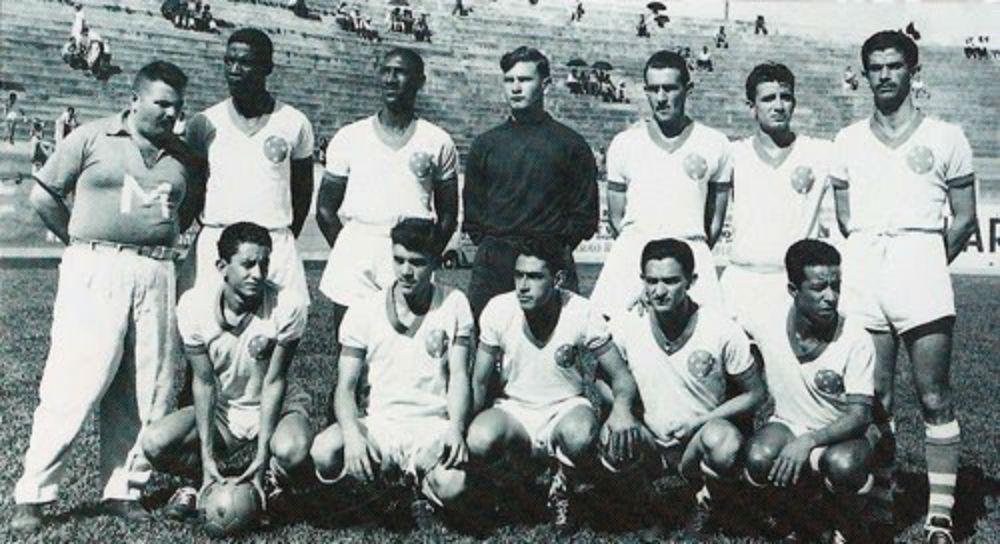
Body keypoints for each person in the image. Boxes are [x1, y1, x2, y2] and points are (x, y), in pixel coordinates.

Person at [10, 61, 198, 535]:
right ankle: (34, 494)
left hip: (156, 269)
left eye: (177, 106)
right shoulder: (92, 137)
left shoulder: (183, 155)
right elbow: (44, 195)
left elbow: (187, 207)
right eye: (161, 103)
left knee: (145, 386)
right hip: (96, 265)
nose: (170, 113)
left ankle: (124, 488)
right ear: (134, 99)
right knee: (74, 380)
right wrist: (77, 240)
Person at [830, 30, 978, 544]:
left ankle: (940, 514)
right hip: (866, 262)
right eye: (876, 67)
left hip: (920, 261)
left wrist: (927, 262)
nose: (886, 75)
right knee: (874, 397)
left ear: (914, 72)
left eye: (895, 66)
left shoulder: (946, 136)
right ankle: (880, 500)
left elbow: (962, 219)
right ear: (865, 74)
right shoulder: (848, 140)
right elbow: (845, 217)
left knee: (934, 394)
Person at [465, 237, 641, 533]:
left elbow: (621, 376)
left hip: (565, 407)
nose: (523, 285)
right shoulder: (498, 309)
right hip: (515, 409)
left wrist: (622, 409)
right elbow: (479, 381)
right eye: (519, 275)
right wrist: (461, 428)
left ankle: (563, 487)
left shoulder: (581, 311)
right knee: (479, 439)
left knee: (581, 434)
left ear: (557, 279)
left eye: (534, 277)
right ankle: (513, 486)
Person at [141, 222, 313, 520]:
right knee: (155, 443)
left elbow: (275, 381)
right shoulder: (194, 306)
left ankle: (272, 477)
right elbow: (204, 384)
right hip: (225, 409)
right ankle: (201, 479)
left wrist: (261, 457)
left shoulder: (288, 304)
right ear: (222, 266)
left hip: (277, 404)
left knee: (292, 450)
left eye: (264, 263)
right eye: (247, 264)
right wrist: (207, 457)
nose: (257, 274)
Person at [316, 48, 459, 396]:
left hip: (410, 251)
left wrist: (425, 256)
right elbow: (325, 209)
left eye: (401, 72)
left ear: (420, 81)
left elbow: (448, 214)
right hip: (359, 246)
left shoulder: (437, 140)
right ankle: (344, 422)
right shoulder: (350, 137)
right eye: (386, 70)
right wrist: (351, 246)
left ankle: (402, 413)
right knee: (350, 343)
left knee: (406, 346)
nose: (391, 79)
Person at [311, 218, 473, 521]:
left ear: (435, 261)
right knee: (324, 450)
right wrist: (353, 434)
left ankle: (417, 486)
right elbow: (345, 387)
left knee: (456, 486)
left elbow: (460, 377)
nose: (406, 271)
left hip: (432, 426)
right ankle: (391, 485)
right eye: (398, 260)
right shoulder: (364, 309)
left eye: (416, 262)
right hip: (381, 425)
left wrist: (456, 428)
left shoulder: (454, 303)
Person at [602, 238, 766, 538]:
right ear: (642, 281)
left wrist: (700, 422)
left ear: (691, 281)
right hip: (649, 438)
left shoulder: (720, 327)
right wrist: (622, 410)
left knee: (725, 443)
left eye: (671, 281)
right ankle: (648, 508)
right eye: (652, 281)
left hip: (697, 440)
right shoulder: (628, 323)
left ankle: (706, 504)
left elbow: (756, 393)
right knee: (613, 434)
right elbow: (600, 378)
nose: (659, 291)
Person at [744, 240, 878, 542]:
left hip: (845, 433)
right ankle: (796, 520)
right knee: (758, 456)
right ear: (793, 290)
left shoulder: (855, 338)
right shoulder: (766, 321)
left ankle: (849, 525)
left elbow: (859, 416)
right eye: (819, 288)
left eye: (836, 286)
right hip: (789, 424)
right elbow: (720, 329)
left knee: (843, 465)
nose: (830, 297)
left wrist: (809, 441)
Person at [590, 50, 732, 320]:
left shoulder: (715, 143)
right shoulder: (625, 143)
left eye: (670, 88)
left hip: (691, 255)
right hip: (633, 256)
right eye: (654, 89)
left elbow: (713, 222)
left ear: (687, 89)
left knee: (701, 345)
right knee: (612, 340)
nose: (661, 98)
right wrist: (644, 252)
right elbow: (616, 218)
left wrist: (689, 252)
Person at [463, 46, 599, 322]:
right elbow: (474, 213)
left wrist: (554, 247)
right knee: (485, 345)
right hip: (495, 262)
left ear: (545, 84)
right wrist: (495, 246)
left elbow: (585, 214)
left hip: (550, 260)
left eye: (524, 80)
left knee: (554, 349)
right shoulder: (485, 144)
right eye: (509, 80)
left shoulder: (570, 143)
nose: (515, 87)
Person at [182, 28, 315, 306]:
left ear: (267, 67)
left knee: (278, 330)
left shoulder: (294, 122)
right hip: (217, 241)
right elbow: (193, 190)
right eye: (228, 61)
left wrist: (280, 237)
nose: (234, 69)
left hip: (274, 241)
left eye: (245, 62)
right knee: (205, 330)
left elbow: (302, 191)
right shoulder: (204, 123)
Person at [720, 63, 831, 342]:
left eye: (786, 97)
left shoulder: (821, 153)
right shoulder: (733, 155)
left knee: (792, 379)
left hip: (792, 284)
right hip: (742, 279)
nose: (779, 106)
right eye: (768, 98)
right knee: (739, 378)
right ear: (751, 106)